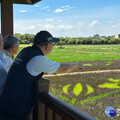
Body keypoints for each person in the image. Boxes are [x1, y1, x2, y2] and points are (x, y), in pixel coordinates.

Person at [0, 31, 83, 120]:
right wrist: (77, 64)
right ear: (47, 46)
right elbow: (63, 68)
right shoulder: (38, 59)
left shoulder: (25, 51)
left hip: (7, 107)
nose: (53, 47)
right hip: (14, 113)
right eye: (53, 44)